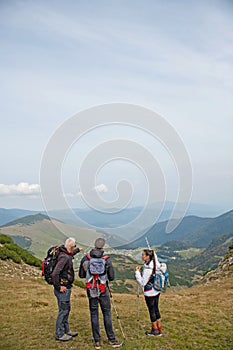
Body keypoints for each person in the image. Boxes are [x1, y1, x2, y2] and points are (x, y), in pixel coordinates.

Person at [79, 238, 123, 349]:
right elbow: (112, 277)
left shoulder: (86, 258)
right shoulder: (106, 260)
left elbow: (81, 275)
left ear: (94, 246)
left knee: (94, 314)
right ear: (103, 247)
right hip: (103, 289)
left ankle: (97, 341)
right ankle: (112, 339)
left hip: (91, 289)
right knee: (107, 313)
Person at [52, 237, 83, 341]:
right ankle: (60, 334)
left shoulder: (64, 252)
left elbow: (70, 254)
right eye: (74, 247)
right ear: (71, 246)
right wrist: (59, 286)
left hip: (65, 288)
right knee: (64, 310)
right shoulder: (64, 257)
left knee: (66, 309)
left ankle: (66, 330)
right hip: (63, 289)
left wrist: (77, 250)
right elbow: (55, 273)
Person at [135, 249, 162, 336]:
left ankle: (154, 330)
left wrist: (137, 272)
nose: (141, 256)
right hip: (156, 290)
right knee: (156, 308)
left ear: (148, 257)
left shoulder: (148, 269)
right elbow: (155, 256)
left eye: (143, 255)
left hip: (149, 292)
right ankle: (159, 327)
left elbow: (143, 282)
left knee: (151, 310)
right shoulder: (155, 264)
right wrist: (153, 251)